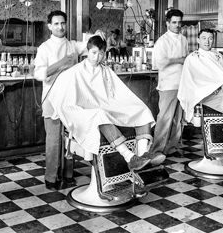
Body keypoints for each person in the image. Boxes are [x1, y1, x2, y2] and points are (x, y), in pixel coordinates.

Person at [45, 36, 155, 170]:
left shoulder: (106, 70)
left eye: (101, 54)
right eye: (94, 53)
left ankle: (143, 157)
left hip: (105, 106)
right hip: (85, 111)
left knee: (141, 109)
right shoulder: (75, 71)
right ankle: (130, 157)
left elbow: (117, 94)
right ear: (87, 51)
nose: (97, 57)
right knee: (100, 114)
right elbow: (61, 92)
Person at [33, 10, 87, 190]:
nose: (60, 27)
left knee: (70, 137)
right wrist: (62, 62)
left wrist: (98, 35)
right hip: (51, 97)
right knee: (54, 140)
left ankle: (68, 174)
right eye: (56, 24)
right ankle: (51, 177)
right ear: (49, 26)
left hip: (70, 97)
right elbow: (39, 74)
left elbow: (89, 44)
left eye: (63, 23)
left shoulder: (73, 45)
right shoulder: (45, 48)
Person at [148, 8, 188, 162]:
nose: (177, 25)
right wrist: (178, 59)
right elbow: (159, 63)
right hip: (168, 84)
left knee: (178, 119)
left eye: (179, 23)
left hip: (182, 83)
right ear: (167, 23)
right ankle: (157, 150)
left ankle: (172, 147)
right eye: (174, 22)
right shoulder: (162, 41)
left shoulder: (183, 39)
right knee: (165, 118)